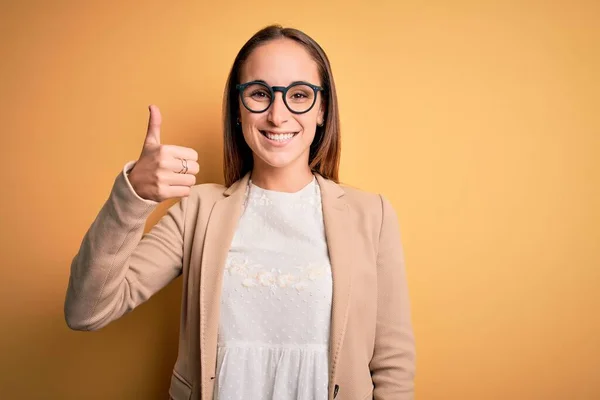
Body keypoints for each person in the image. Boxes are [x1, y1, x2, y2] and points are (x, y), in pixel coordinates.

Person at [64, 24, 415, 400]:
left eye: (299, 94)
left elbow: (392, 363)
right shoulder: (198, 211)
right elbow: (87, 311)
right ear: (237, 108)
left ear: (322, 110)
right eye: (260, 93)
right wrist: (133, 194)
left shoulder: (371, 215)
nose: (277, 115)